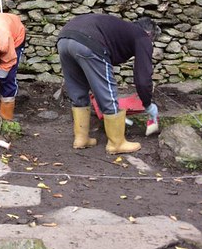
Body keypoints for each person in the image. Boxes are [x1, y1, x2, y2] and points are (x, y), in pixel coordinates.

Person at [56, 13, 160, 154]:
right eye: (152, 40)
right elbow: (143, 78)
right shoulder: (142, 36)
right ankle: (116, 143)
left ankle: (81, 139)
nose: (150, 44)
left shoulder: (122, 30)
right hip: (90, 42)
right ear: (149, 33)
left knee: (77, 89)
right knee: (107, 91)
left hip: (65, 39)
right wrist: (148, 104)